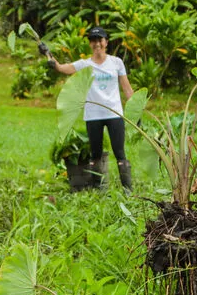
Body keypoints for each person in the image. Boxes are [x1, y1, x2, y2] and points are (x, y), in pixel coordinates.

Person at [43, 26, 135, 190]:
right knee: (95, 155)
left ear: (106, 42)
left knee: (120, 153)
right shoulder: (84, 64)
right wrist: (47, 54)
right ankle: (98, 188)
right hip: (93, 115)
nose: (96, 44)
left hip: (114, 113)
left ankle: (128, 189)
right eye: (93, 41)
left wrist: (136, 110)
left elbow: (127, 88)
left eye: (100, 40)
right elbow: (61, 67)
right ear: (90, 44)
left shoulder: (116, 62)